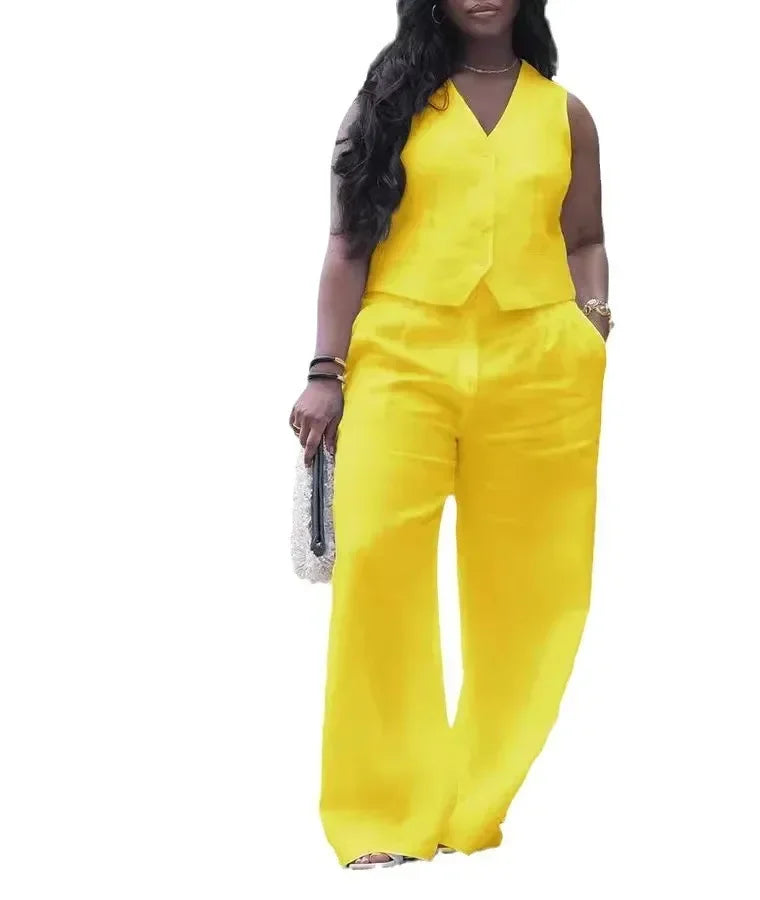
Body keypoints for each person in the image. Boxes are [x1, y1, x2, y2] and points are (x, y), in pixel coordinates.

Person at [289, 0, 612, 869]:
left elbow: (585, 238)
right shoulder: (390, 100)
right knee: (376, 568)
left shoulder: (566, 113)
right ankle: (380, 811)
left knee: (536, 587)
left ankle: (468, 800)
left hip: (539, 365)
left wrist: (591, 324)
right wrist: (325, 371)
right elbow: (346, 245)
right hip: (401, 354)